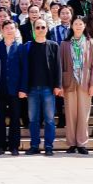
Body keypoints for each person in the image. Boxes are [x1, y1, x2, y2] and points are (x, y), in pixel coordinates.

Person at [17, 18, 61, 156]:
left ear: (47, 29)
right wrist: (23, 88)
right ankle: (34, 145)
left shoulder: (54, 45)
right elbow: (23, 68)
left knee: (49, 120)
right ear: (33, 30)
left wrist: (57, 85)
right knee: (33, 120)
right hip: (32, 89)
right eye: (38, 27)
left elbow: (58, 67)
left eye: (43, 27)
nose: (40, 30)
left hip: (48, 88)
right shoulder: (27, 47)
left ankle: (48, 146)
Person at [59, 16, 93, 155]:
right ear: (72, 26)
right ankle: (71, 143)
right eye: (75, 24)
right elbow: (60, 65)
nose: (78, 26)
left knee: (83, 114)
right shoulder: (65, 44)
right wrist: (60, 85)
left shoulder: (90, 42)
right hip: (69, 82)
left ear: (84, 26)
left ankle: (82, 143)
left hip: (85, 82)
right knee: (70, 115)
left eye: (80, 24)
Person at [0, 20, 24, 156]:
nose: (9, 30)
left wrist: (23, 88)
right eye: (6, 28)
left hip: (15, 89)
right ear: (2, 30)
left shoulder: (20, 48)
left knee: (15, 118)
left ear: (16, 30)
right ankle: (0, 146)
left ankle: (14, 146)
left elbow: (25, 69)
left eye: (12, 28)